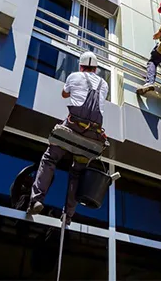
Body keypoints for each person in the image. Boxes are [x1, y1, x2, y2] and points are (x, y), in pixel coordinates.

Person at [28, 51, 109, 226]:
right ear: (95, 69)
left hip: (72, 128)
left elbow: (65, 95)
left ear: (80, 66)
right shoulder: (104, 84)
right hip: (92, 136)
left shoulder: (74, 76)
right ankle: (68, 215)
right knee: (77, 173)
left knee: (50, 158)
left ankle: (36, 200)